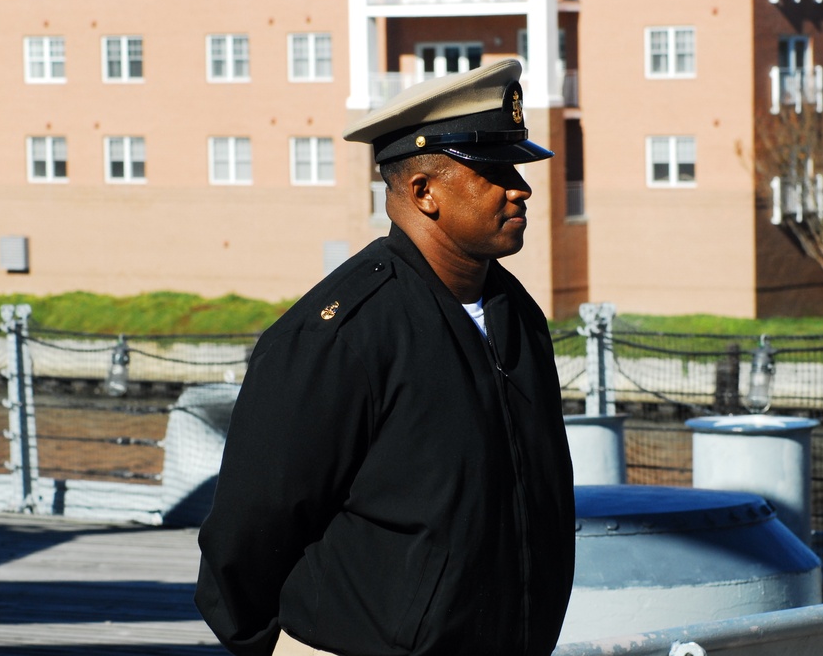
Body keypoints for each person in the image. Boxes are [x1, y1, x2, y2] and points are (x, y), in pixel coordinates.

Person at [195, 59, 576, 656]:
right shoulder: (346, 331)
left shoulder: (517, 315)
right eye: (494, 169)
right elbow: (249, 529)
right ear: (424, 192)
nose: (521, 188)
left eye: (519, 167)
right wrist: (278, 645)